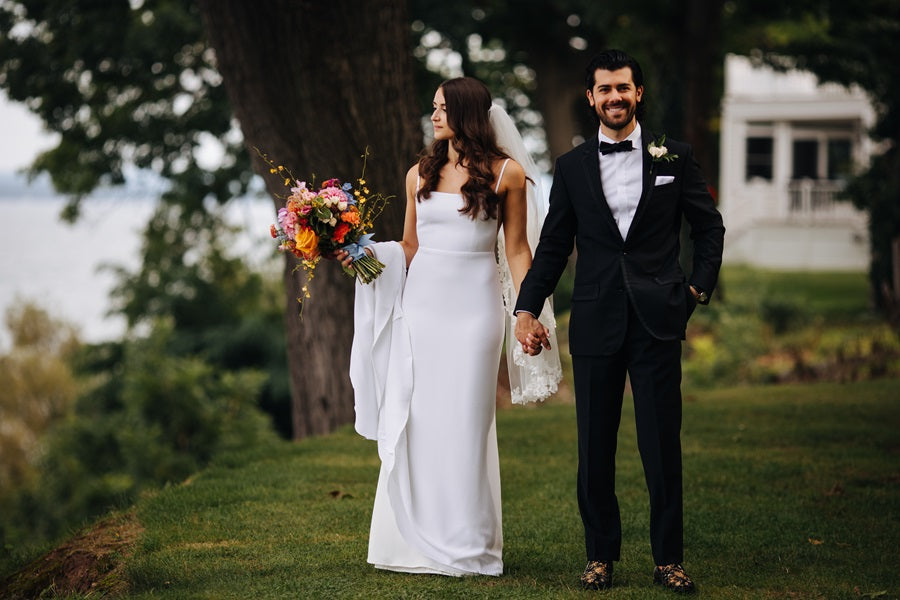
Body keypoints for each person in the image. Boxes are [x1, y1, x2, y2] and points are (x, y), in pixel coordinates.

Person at [514, 49, 725, 593]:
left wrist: (697, 287)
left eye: (623, 88)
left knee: (661, 446)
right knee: (595, 448)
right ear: (591, 98)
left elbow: (709, 227)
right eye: (604, 89)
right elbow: (554, 246)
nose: (614, 97)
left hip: (659, 319)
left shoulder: (674, 157)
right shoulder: (573, 167)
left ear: (638, 94)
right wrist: (525, 307)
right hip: (596, 320)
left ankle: (668, 559)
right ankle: (599, 555)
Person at [343, 76, 561, 576]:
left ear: (466, 113)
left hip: (474, 312)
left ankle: (468, 545)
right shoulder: (417, 173)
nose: (434, 115)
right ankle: (412, 541)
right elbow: (410, 248)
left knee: (466, 421)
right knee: (419, 421)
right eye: (433, 107)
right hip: (422, 311)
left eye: (441, 108)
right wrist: (360, 257)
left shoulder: (507, 174)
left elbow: (517, 250)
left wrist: (526, 311)